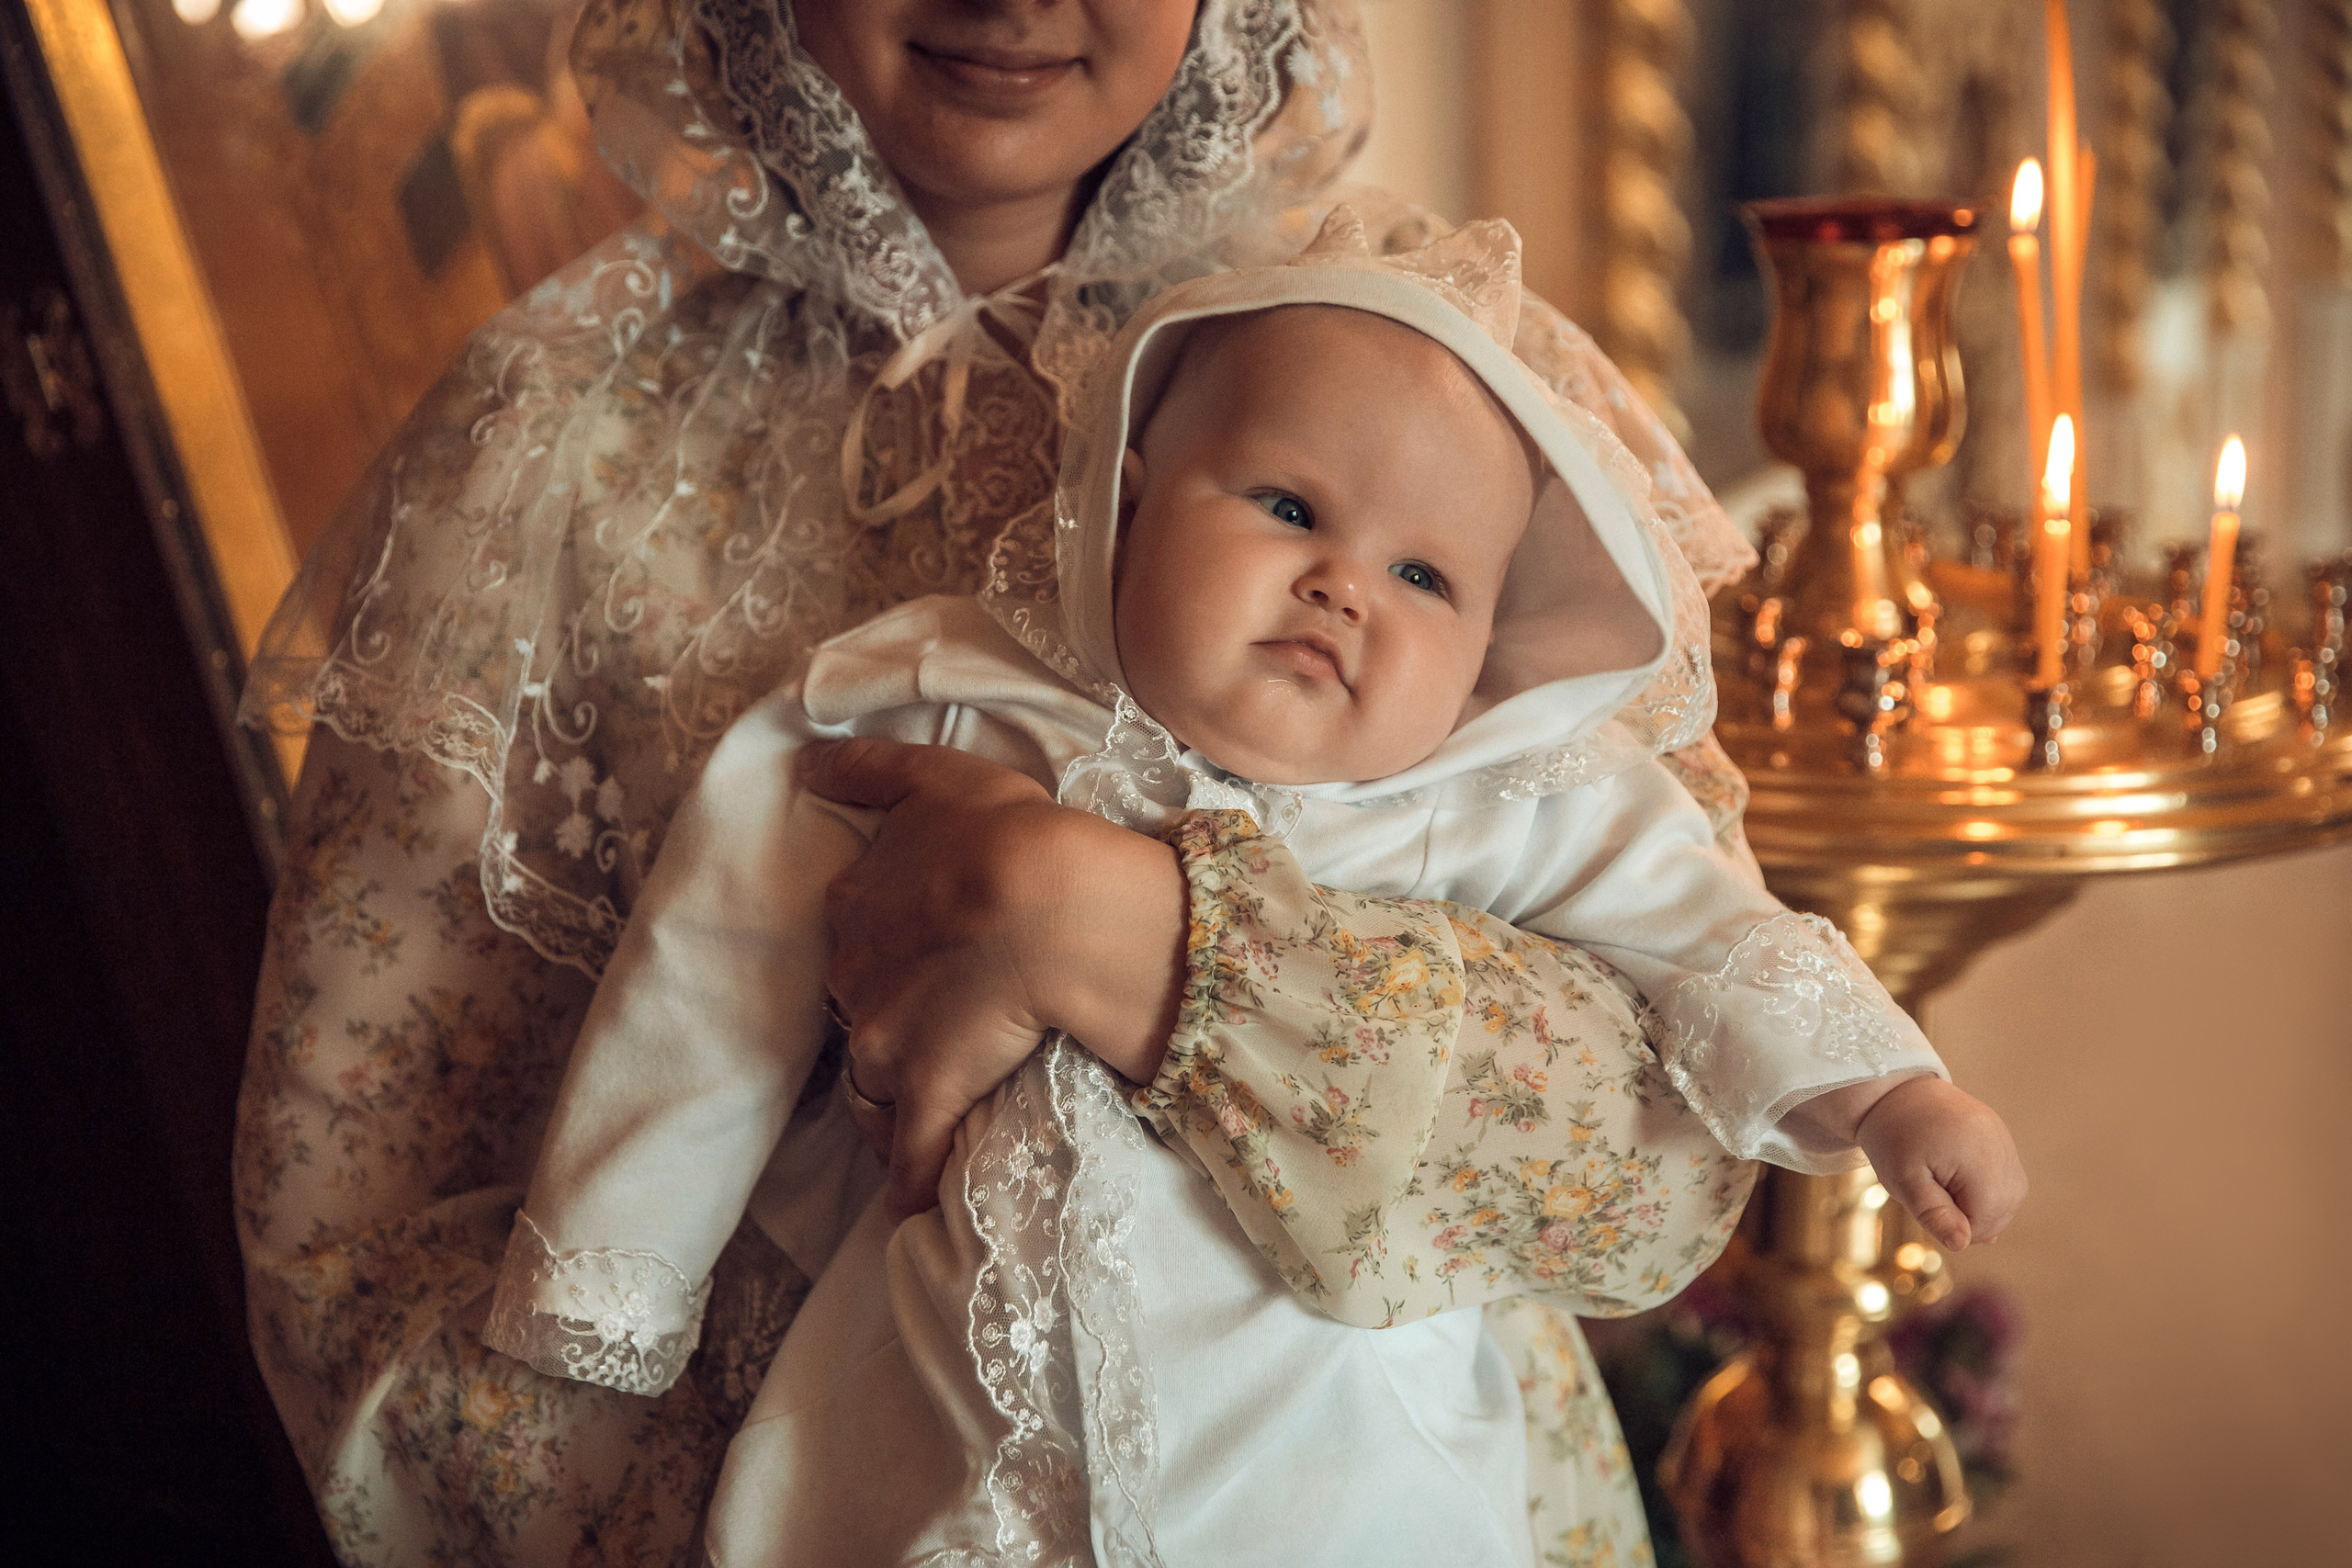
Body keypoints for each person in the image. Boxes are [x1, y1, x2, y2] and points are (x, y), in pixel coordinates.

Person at [234, 1, 1770, 1562]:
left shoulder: (1452, 374)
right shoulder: (554, 438)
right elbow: (357, 1204)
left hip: (1379, 1499)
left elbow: (1678, 1143)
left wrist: (1144, 945)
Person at [479, 217, 2024, 1567]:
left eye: (1426, 579)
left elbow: (1714, 935)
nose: (1345, 583)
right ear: (1131, 503)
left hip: (1335, 1479)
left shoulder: (1480, 801)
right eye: (1287, 508)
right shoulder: (954, 700)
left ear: (1486, 655)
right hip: (947, 1426)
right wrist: (619, 1262)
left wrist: (1889, 1093)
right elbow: (720, 955)